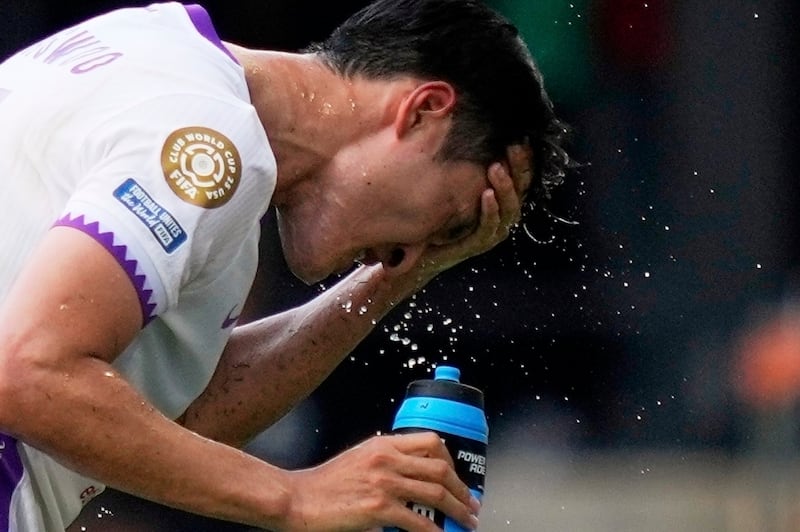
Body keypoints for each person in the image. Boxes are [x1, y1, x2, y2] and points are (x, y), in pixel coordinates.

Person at [0, 0, 569, 530]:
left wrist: (397, 278)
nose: (410, 249)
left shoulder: (156, 44)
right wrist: (294, 495)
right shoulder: (215, 142)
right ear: (423, 112)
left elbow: (151, 421)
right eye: (445, 222)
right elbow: (30, 372)